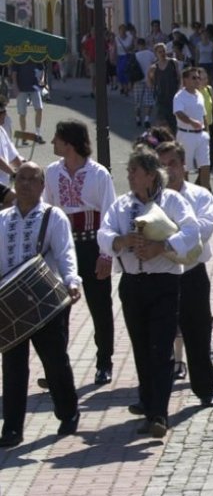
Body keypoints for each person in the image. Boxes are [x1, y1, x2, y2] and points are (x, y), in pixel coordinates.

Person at [97, 147, 200, 438]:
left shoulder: (172, 201)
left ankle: (159, 414)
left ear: (151, 175)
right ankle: (148, 403)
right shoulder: (121, 205)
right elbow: (103, 234)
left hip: (164, 282)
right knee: (141, 347)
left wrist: (161, 247)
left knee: (161, 348)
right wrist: (121, 241)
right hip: (132, 284)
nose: (129, 176)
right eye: (129, 171)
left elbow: (191, 231)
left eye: (134, 171)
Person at [0, 163, 82, 448]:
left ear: (42, 185)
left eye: (31, 179)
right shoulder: (2, 219)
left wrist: (72, 281)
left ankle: (68, 413)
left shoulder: (53, 216)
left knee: (54, 360)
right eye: (20, 179)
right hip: (10, 303)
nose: (24, 184)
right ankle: (12, 428)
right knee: (13, 366)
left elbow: (65, 252)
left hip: (45, 300)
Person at [44, 120, 117, 385]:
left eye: (57, 138)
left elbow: (109, 214)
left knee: (100, 306)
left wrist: (106, 254)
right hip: (64, 248)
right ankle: (58, 368)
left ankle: (104, 363)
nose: (52, 142)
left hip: (92, 246)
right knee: (58, 309)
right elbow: (47, 209)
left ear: (69, 142)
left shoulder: (98, 174)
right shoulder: (52, 172)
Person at [155, 142, 213, 408]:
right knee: (159, 337)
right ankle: (155, 398)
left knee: (198, 333)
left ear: (183, 165)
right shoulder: (151, 198)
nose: (167, 170)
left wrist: (167, 237)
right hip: (161, 274)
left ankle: (205, 389)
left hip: (192, 273)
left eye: (172, 163)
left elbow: (204, 228)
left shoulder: (199, 195)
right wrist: (180, 234)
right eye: (162, 165)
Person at [173, 67, 213, 190]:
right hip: (186, 135)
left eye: (198, 78)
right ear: (185, 80)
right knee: (185, 167)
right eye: (194, 78)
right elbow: (178, 113)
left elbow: (203, 115)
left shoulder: (199, 94)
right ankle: (186, 193)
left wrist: (207, 133)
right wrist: (191, 122)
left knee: (205, 165)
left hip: (201, 135)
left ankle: (207, 193)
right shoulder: (179, 96)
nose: (197, 80)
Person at [149, 43, 182, 133]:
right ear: (156, 53)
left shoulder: (173, 63)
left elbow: (180, 78)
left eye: (164, 51)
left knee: (174, 121)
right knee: (162, 123)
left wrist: (179, 91)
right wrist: (155, 89)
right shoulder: (154, 67)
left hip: (173, 96)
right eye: (160, 52)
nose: (162, 53)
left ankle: (174, 138)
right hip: (161, 98)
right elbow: (150, 82)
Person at [11, 61, 45, 143]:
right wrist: (15, 86)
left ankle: (38, 133)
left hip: (35, 87)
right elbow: (14, 73)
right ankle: (24, 135)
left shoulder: (36, 57)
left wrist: (42, 79)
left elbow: (42, 70)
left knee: (39, 108)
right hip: (21, 88)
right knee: (22, 113)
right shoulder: (19, 57)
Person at [133, 39, 157, 128]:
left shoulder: (135, 55)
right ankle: (147, 118)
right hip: (149, 80)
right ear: (145, 44)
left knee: (137, 101)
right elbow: (155, 65)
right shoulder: (151, 54)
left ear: (138, 45)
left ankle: (138, 118)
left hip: (138, 80)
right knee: (149, 100)